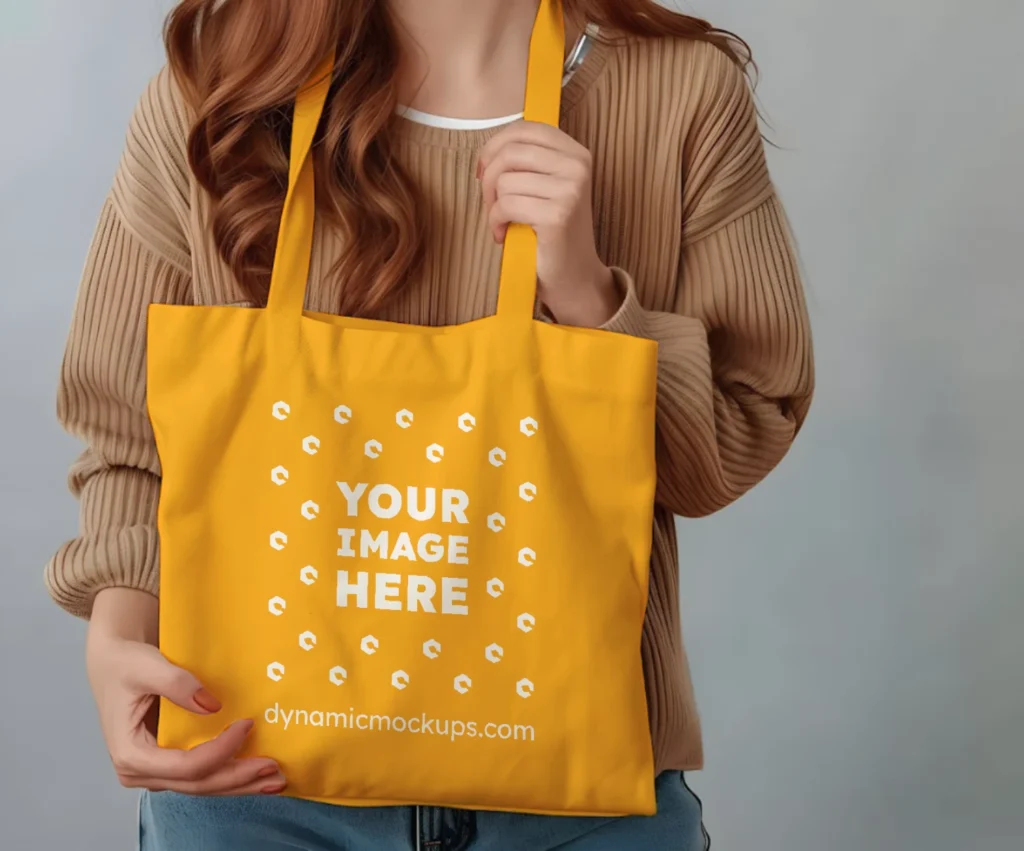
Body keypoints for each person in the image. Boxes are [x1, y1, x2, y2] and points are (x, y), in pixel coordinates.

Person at [47, 0, 813, 848]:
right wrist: (117, 634)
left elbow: (735, 439)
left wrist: (592, 299)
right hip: (252, 785)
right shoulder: (219, 95)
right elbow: (127, 439)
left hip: (577, 804)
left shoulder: (681, 94)